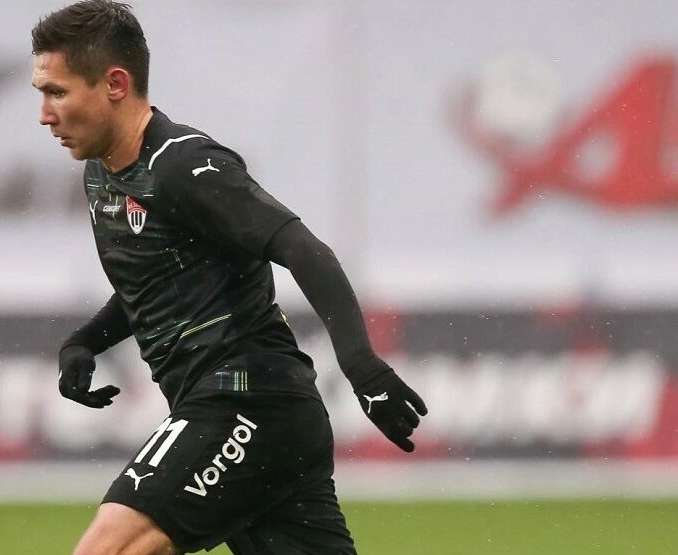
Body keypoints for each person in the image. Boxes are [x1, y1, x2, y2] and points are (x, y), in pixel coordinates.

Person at [31, 2, 427, 553]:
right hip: (263, 416)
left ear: (115, 84)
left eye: (57, 92)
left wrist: (363, 368)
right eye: (41, 93)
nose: (45, 114)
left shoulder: (185, 166)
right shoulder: (103, 173)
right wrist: (85, 341)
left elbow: (305, 250)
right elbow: (157, 279)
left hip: (245, 402)